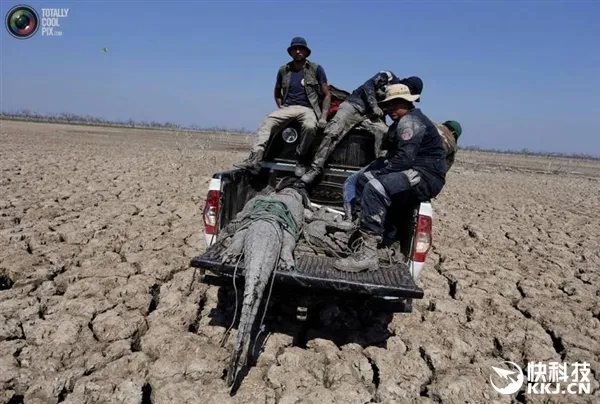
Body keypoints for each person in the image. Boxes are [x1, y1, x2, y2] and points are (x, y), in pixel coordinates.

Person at [333, 83, 447, 273]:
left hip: (424, 175)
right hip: (411, 169)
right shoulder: (401, 123)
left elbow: (404, 159)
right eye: (388, 105)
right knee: (363, 179)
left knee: (375, 187)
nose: (390, 109)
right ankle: (367, 232)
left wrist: (380, 175)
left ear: (407, 103)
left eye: (395, 104)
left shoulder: (410, 122)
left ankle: (368, 255)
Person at [300, 73, 423, 184]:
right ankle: (315, 168)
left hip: (369, 117)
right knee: (333, 130)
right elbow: (368, 85)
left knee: (384, 132)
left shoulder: (398, 100)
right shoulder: (388, 77)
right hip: (354, 106)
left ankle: (379, 172)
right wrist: (374, 105)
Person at [234, 37, 331, 175]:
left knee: (310, 126)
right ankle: (255, 159)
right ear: (291, 52)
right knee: (266, 123)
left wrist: (323, 117)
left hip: (307, 108)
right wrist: (282, 108)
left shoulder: (316, 69)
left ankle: (301, 158)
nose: (298, 51)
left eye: (301, 48)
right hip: (288, 107)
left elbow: (327, 94)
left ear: (306, 51)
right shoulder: (284, 70)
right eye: (295, 49)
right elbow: (277, 92)